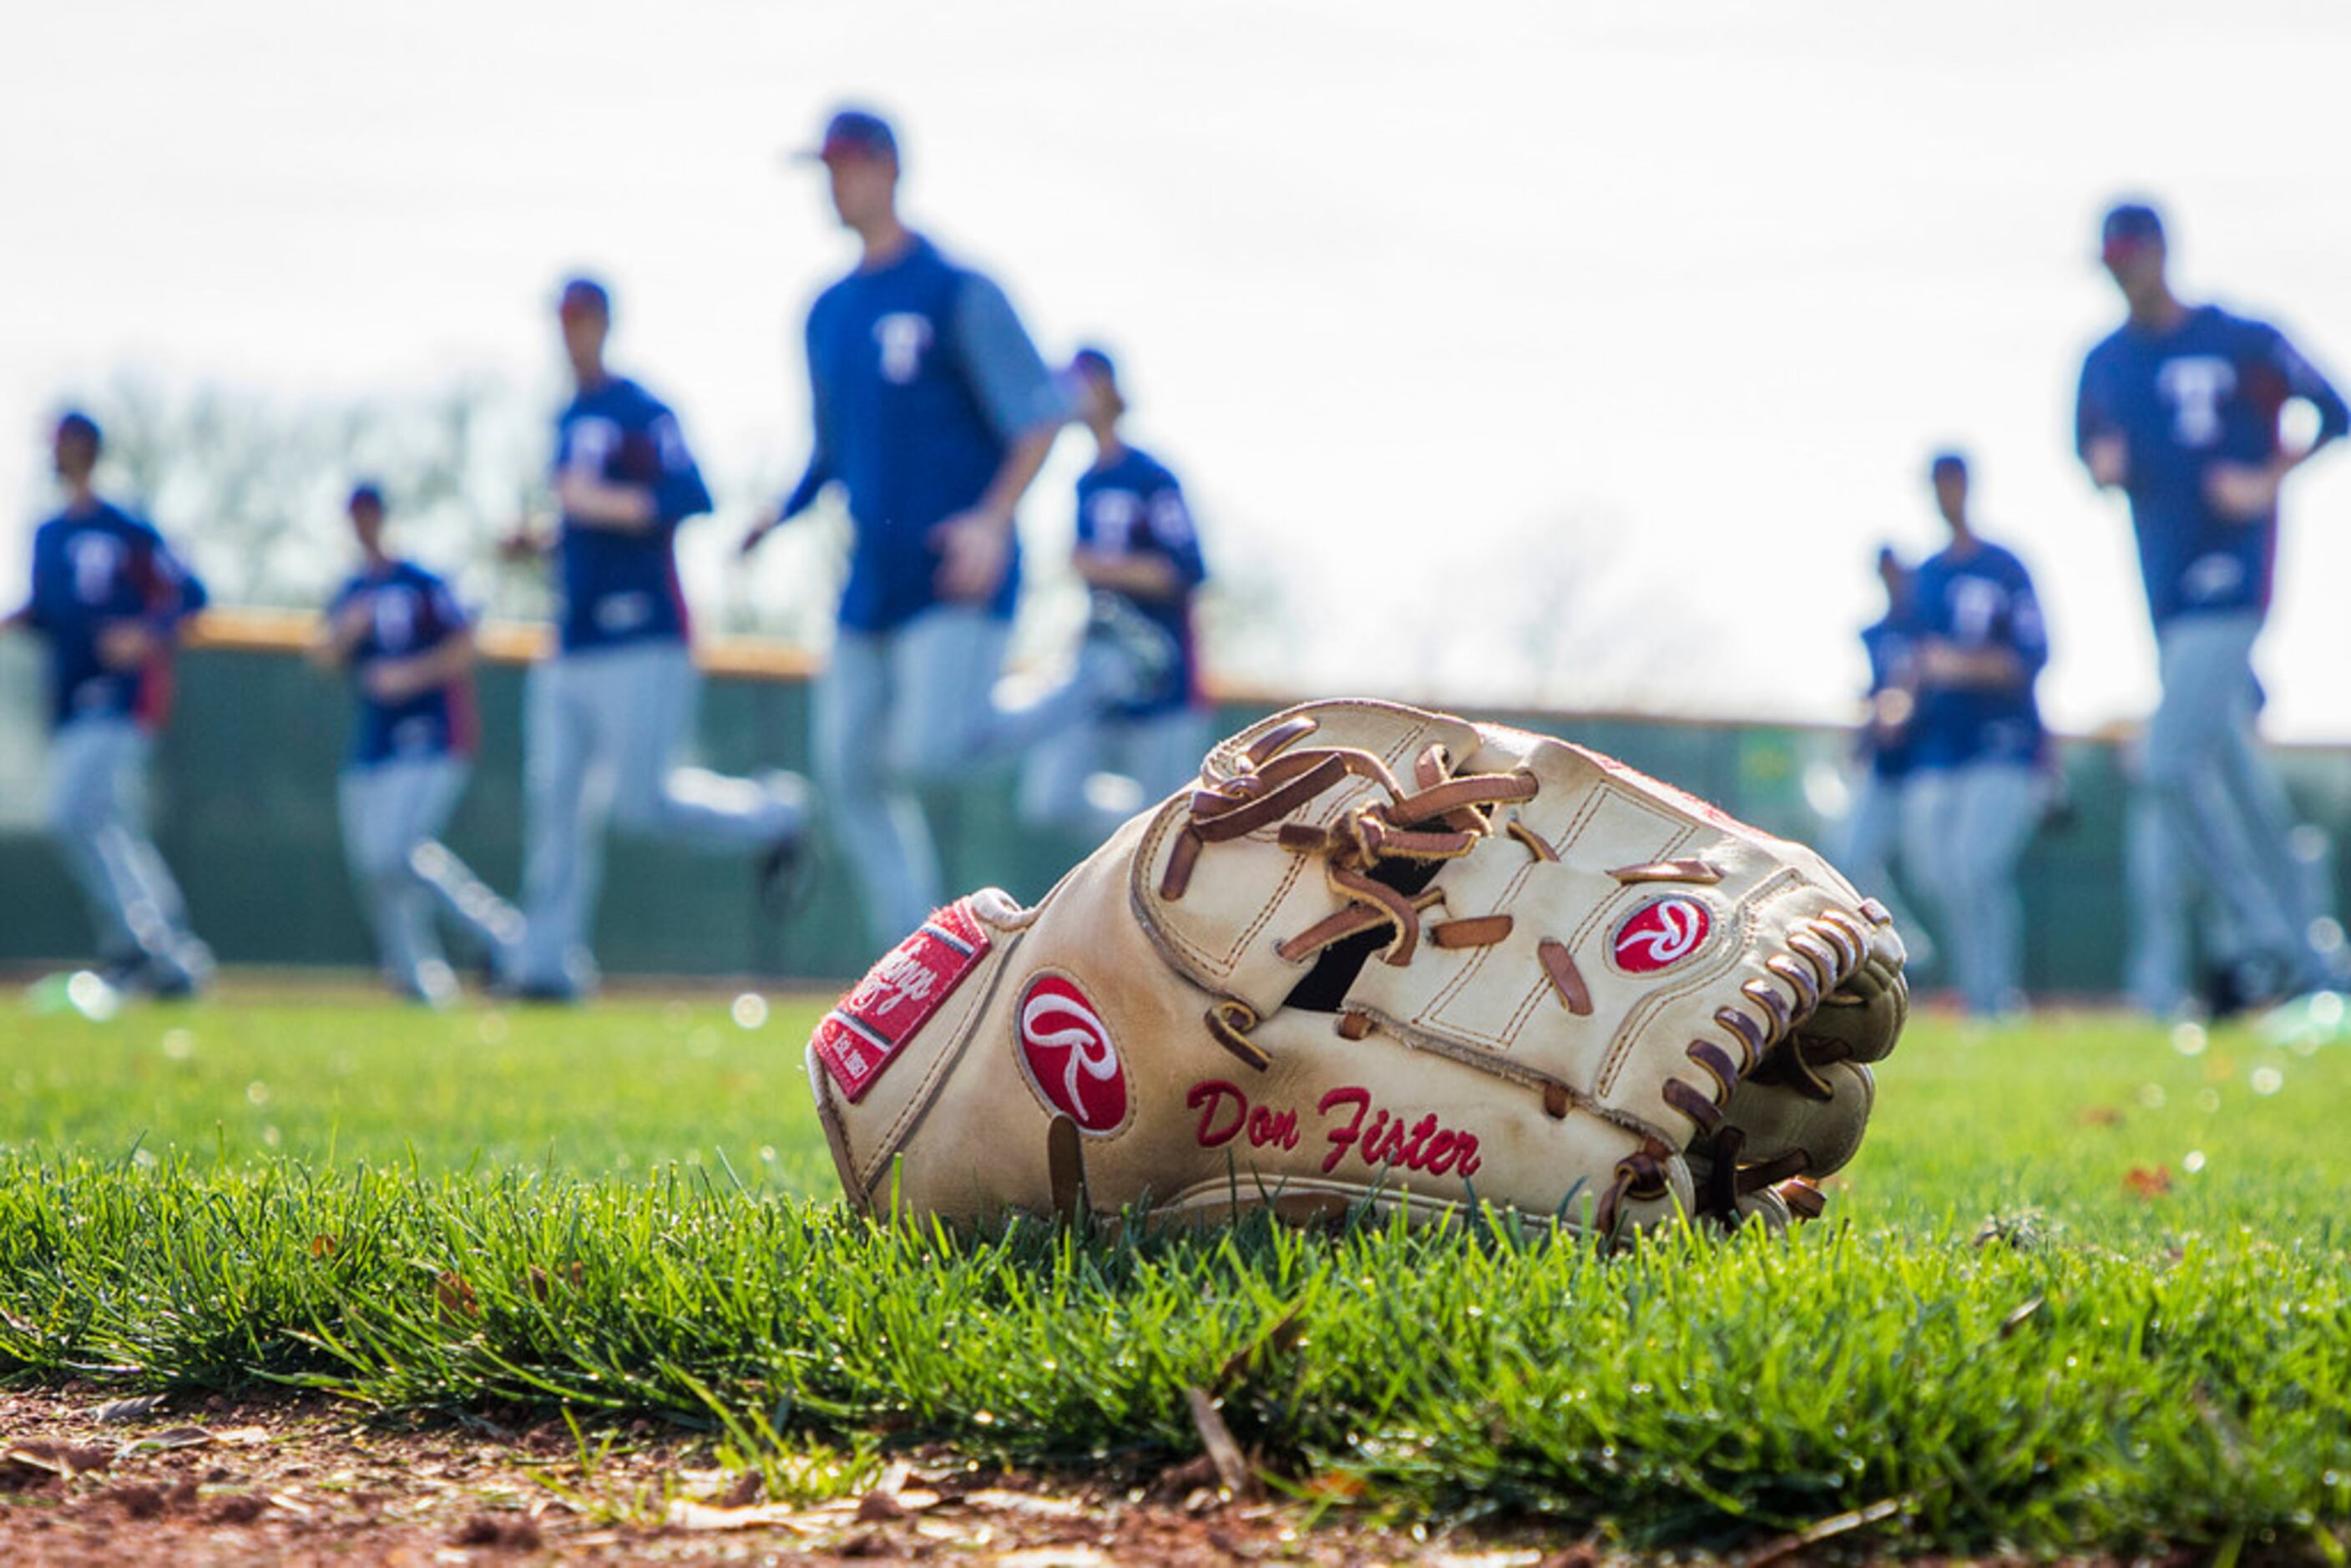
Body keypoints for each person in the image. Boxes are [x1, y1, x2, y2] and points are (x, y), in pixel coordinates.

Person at [742, 108, 1073, 952]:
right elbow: (828, 449)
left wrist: (992, 523)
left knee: (931, 752)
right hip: (872, 578)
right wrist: (777, 514)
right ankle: (924, 951)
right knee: (847, 771)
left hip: (955, 567)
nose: (833, 182)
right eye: (824, 168)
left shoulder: (955, 287)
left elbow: (1039, 417)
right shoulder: (825, 311)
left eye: (847, 164)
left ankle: (1093, 681)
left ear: (890, 169)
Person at [500, 277, 809, 1000]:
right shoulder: (565, 415)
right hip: (570, 640)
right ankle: (545, 968)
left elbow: (689, 497)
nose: (569, 333)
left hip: (645, 635)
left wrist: (594, 504)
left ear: (605, 324)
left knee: (641, 806)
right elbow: (585, 527)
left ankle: (776, 814)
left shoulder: (642, 410)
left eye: (579, 320)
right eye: (561, 321)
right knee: (554, 807)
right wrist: (546, 538)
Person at [2075, 199, 2348, 1009]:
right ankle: (2316, 956)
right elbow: (2088, 449)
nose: (2124, 274)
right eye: (2111, 262)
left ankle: (2266, 944)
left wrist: (2266, 477)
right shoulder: (2106, 360)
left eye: (2131, 256)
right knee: (2237, 781)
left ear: (2160, 252)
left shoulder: (2240, 336)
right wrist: (2104, 463)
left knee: (2164, 763)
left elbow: (2335, 410)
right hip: (2163, 593)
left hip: (2231, 584)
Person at [2, 412, 212, 996]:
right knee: (110, 823)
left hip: (123, 697)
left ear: (86, 449)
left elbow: (189, 596)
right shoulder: (47, 533)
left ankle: (139, 945)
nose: (58, 455)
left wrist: (144, 634)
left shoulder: (128, 527)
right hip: (69, 697)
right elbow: (48, 611)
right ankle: (172, 955)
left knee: (72, 813)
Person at [311, 483, 519, 1004]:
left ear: (384, 517)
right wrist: (346, 634)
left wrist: (409, 675)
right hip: (373, 744)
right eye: (354, 516)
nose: (363, 524)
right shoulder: (353, 590)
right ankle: (418, 979)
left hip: (432, 736)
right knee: (376, 866)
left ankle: (500, 936)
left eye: (369, 514)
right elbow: (322, 656)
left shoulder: (422, 581)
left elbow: (468, 642)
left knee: (395, 852)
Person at [1017, 346, 1211, 842]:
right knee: (1051, 798)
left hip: (1166, 681)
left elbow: (1187, 570)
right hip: (1104, 669)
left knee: (1173, 829)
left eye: (1080, 380)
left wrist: (1104, 568)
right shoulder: (1085, 481)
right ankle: (1139, 830)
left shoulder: (1151, 476)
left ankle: (1153, 825)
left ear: (1105, 386)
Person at [1900, 453, 2047, 1019]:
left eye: (1952, 485)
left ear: (1968, 487)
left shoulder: (2005, 567)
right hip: (1938, 752)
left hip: (2002, 744)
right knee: (1936, 873)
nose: (1946, 495)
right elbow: (1914, 663)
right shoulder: (1927, 575)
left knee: (1975, 867)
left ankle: (1994, 999)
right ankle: (1979, 990)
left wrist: (1959, 666)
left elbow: (2031, 657)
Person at [1832, 547, 1931, 961]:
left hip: (1929, 769)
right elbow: (1876, 698)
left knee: (1937, 874)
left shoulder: (1928, 626)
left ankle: (1929, 958)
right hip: (1884, 770)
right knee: (1849, 859)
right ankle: (1904, 946)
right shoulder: (1875, 633)